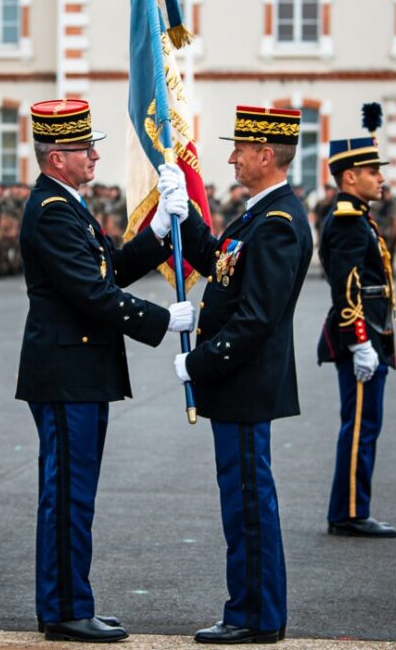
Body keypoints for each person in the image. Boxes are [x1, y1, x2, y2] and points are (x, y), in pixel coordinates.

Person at [15, 99, 196, 643]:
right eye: (82, 148)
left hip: (78, 373)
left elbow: (110, 266)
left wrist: (161, 228)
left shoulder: (65, 203)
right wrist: (163, 320)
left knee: (74, 494)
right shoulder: (51, 210)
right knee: (68, 495)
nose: (94, 155)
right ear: (55, 159)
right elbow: (93, 293)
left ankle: (69, 602)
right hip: (67, 375)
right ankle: (66, 609)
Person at [170, 105, 312, 644]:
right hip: (237, 385)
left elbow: (256, 318)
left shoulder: (277, 224)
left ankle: (255, 616)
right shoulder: (257, 215)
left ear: (266, 155)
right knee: (242, 499)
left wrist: (197, 362)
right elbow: (219, 265)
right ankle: (251, 609)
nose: (231, 157)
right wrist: (183, 213)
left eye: (240, 150)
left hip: (244, 383)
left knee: (249, 502)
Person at [316, 134, 396, 539]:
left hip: (370, 332)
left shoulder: (358, 214)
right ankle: (349, 512)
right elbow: (347, 288)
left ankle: (351, 508)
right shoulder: (348, 220)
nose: (380, 178)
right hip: (361, 336)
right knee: (361, 426)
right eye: (372, 171)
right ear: (350, 177)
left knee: (365, 424)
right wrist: (360, 341)